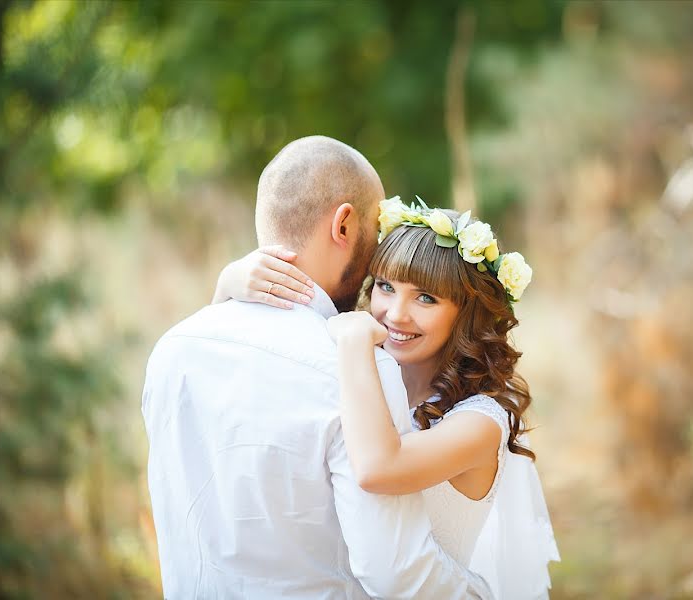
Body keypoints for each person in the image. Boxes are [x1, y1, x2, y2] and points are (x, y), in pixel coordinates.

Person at [142, 136, 492, 599]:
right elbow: (394, 572)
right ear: (344, 225)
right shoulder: (357, 368)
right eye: (375, 226)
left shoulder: (174, 349)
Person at [215, 197, 559, 598]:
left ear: (466, 314)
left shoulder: (482, 421)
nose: (396, 314)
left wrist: (353, 341)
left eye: (425, 298)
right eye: (385, 287)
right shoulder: (368, 373)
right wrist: (226, 288)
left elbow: (379, 468)